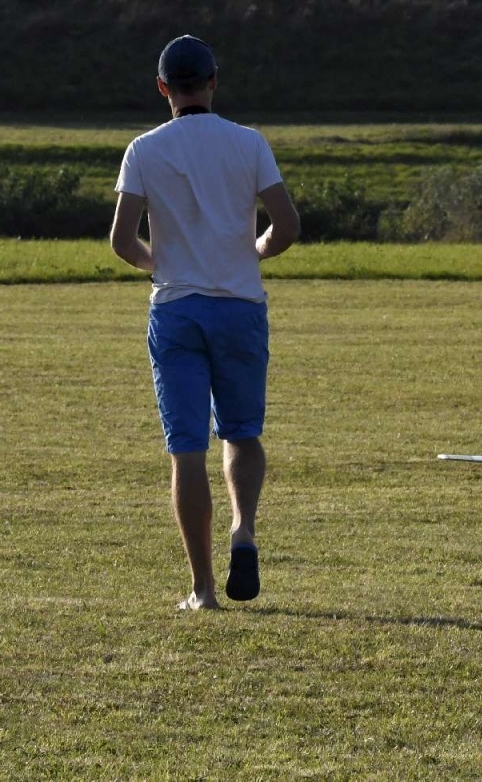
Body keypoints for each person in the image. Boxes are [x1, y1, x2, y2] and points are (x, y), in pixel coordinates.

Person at [109, 35, 300, 611]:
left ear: (162, 87)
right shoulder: (249, 142)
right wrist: (256, 249)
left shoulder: (143, 150)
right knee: (242, 433)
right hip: (240, 306)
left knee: (186, 450)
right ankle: (244, 530)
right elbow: (287, 224)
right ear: (214, 82)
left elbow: (122, 241)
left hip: (177, 310)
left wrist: (160, 263)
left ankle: (202, 589)